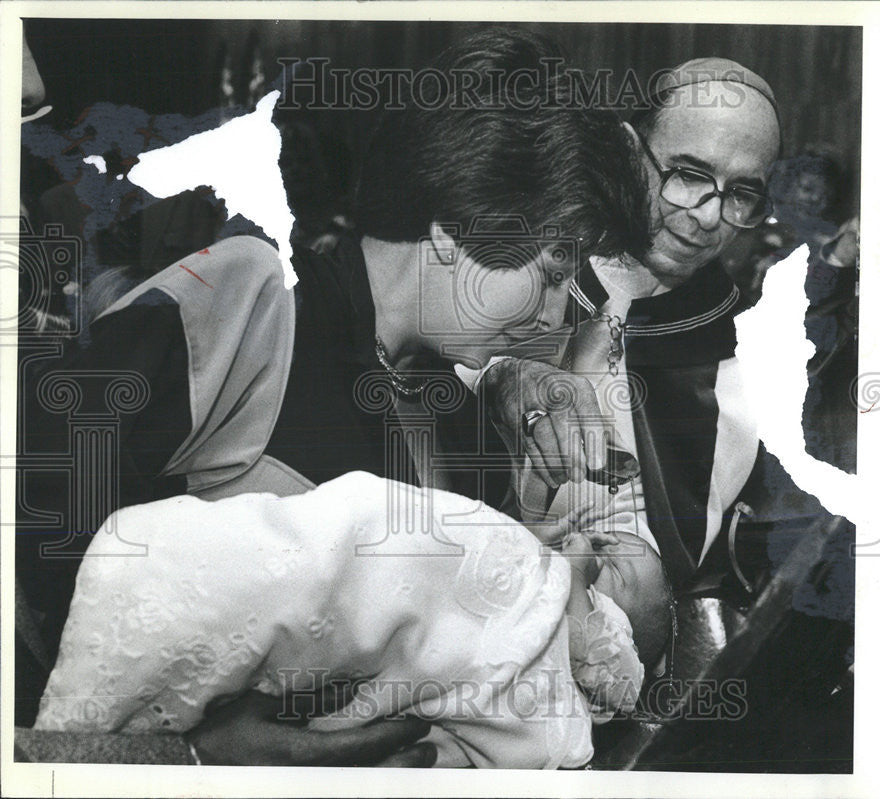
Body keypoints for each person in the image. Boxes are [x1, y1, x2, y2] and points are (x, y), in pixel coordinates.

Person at [14, 27, 650, 765]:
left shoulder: (461, 414)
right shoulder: (258, 295)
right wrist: (181, 752)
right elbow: (38, 514)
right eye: (547, 272)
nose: (553, 313)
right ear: (453, 231)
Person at [33, 472, 670, 768]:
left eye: (612, 563)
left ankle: (174, 568)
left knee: (379, 541)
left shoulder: (553, 682)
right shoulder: (512, 567)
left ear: (614, 654)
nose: (581, 546)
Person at [481, 58, 784, 589]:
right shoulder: (522, 261)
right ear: (627, 149)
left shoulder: (747, 354)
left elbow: (679, 566)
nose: (710, 216)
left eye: (740, 193)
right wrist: (504, 380)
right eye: (688, 176)